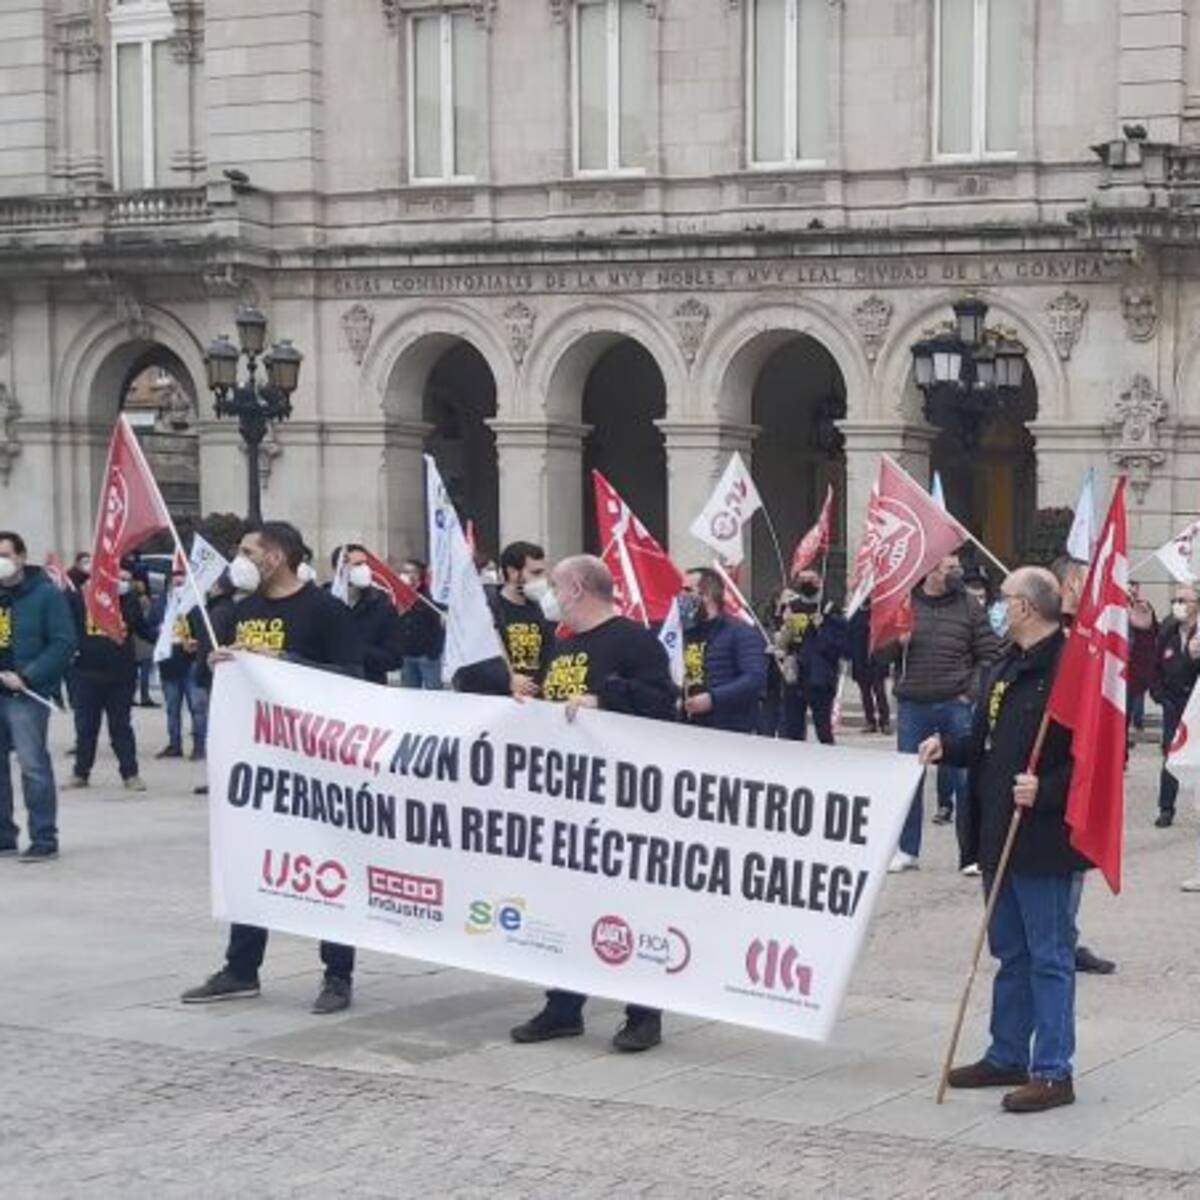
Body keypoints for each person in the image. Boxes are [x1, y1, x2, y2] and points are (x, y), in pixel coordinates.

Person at [181, 521, 366, 1015]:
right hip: (259, 760)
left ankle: (337, 973)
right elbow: (213, 676)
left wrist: (283, 659)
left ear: (276, 556)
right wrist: (218, 663)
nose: (239, 559)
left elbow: (354, 676)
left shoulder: (325, 610)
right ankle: (241, 968)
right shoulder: (241, 611)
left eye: (247, 551)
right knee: (250, 858)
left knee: (326, 863)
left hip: (316, 761)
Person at [922, 566, 1080, 1114]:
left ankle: (1053, 1070)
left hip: (1044, 837)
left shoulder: (1070, 668)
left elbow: (1100, 758)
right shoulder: (1004, 664)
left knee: (1049, 956)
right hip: (997, 830)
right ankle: (1007, 1053)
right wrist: (949, 746)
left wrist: (1049, 789)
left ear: (1027, 607)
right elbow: (987, 742)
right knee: (1009, 951)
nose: (995, 605)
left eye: (1004, 597)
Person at [510, 555, 676, 1053]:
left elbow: (661, 703)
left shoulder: (634, 641)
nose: (550, 595)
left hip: (620, 801)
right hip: (566, 801)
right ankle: (563, 1008)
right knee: (566, 906)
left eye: (555, 586)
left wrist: (604, 699)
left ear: (578, 588)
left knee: (630, 907)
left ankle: (644, 1014)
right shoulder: (562, 645)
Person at [891, 553, 1000, 872]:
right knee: (909, 779)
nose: (957, 572)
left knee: (966, 779)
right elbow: (879, 653)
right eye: (949, 567)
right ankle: (907, 850)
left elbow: (989, 653)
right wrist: (898, 642)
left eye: (957, 566)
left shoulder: (970, 605)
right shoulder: (905, 603)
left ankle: (971, 855)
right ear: (930, 570)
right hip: (913, 704)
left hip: (956, 702)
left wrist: (971, 693)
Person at [1047, 554, 1115, 976]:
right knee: (1059, 862)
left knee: (1076, 861)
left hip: (1082, 760)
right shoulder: (1049, 639)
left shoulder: (1091, 633)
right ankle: (1055, 941)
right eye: (1079, 582)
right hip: (1052, 766)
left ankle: (1066, 938)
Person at [0, 532, 76, 862]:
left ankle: (44, 837)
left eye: (5, 555)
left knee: (33, 766)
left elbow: (63, 642)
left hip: (26, 694)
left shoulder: (45, 595)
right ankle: (4, 837)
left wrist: (28, 676)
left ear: (21, 557)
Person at [64, 564, 151, 793]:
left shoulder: (126, 599)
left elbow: (141, 627)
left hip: (120, 675)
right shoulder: (79, 598)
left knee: (121, 727)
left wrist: (125, 596)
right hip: (85, 673)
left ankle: (130, 774)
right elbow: (65, 610)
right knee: (85, 728)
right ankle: (81, 773)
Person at [680, 567, 766, 733]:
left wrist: (713, 699)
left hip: (731, 729)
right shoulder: (686, 633)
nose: (681, 596)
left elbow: (754, 678)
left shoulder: (740, 632)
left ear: (707, 594)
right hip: (692, 727)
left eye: (687, 590)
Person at [1150, 583, 1200, 830]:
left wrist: (1193, 657)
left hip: (1196, 705)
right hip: (1173, 704)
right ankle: (1166, 808)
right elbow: (1155, 666)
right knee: (1171, 755)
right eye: (1175, 600)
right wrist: (1159, 696)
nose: (1178, 605)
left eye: (1183, 600)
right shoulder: (1168, 632)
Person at [777, 571, 845, 745]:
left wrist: (822, 627)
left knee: (823, 728)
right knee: (792, 728)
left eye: (811, 579)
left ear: (820, 582)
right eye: (803, 579)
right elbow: (781, 643)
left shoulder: (830, 608)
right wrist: (785, 626)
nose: (807, 582)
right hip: (794, 674)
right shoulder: (791, 606)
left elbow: (839, 645)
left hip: (820, 676)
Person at [329, 544, 405, 685]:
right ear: (339, 569)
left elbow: (394, 659)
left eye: (366, 564)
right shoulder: (323, 602)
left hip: (369, 686)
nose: (365, 569)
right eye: (357, 564)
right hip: (330, 686)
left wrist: (357, 651)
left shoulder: (382, 606)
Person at [154, 567, 208, 761]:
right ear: (168, 585)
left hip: (191, 663)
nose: (178, 586)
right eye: (175, 583)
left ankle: (199, 747)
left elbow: (205, 630)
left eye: (182, 583)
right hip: (168, 662)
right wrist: (159, 632)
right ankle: (174, 745)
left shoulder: (196, 604)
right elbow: (149, 625)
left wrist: (197, 642)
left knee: (197, 708)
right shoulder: (161, 604)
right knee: (172, 708)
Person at [491, 540, 554, 698]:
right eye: (536, 573)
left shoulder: (544, 609)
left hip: (539, 699)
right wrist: (507, 679)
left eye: (543, 573)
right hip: (503, 700)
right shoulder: (490, 610)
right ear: (513, 572)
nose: (542, 580)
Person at [397, 558, 445, 689]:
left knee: (433, 692)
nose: (406, 575)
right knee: (409, 693)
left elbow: (440, 623)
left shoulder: (430, 595)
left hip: (427, 655)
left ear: (420, 575)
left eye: (411, 571)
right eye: (404, 571)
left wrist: (434, 652)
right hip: (407, 654)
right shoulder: (400, 595)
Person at [847, 599, 892, 735]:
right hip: (860, 659)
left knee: (879, 691)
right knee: (865, 692)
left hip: (877, 659)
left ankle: (885, 722)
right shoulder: (855, 614)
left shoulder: (879, 612)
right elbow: (849, 635)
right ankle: (870, 721)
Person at [130, 571, 158, 708]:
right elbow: (148, 619)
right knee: (145, 671)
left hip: (134, 639)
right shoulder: (144, 601)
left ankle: (132, 696)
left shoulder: (128, 599)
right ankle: (144, 696)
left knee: (133, 672)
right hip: (144, 639)